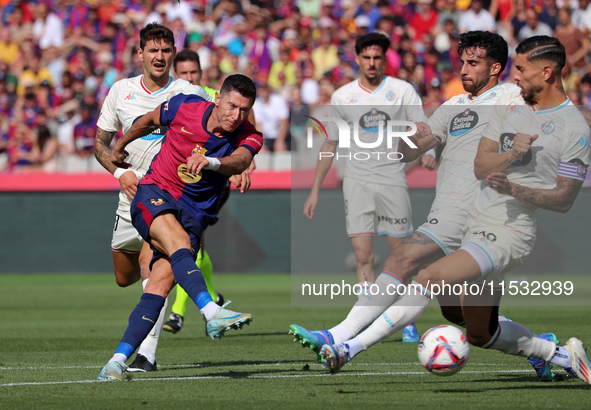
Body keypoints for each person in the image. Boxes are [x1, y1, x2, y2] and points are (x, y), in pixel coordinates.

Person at [318, 36, 591, 385]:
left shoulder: (520, 102)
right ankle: (556, 353)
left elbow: (564, 194)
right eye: (461, 62)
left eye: (520, 69)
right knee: (477, 330)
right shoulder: (472, 106)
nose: (516, 76)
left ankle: (346, 346)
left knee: (421, 272)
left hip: (503, 229)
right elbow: (464, 161)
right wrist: (408, 138)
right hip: (468, 218)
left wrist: (515, 184)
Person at [98, 74, 262, 381]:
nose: (235, 115)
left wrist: (213, 163)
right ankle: (211, 312)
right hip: (155, 193)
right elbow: (148, 120)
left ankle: (116, 362)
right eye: (231, 106)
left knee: (157, 287)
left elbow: (240, 161)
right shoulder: (184, 107)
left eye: (243, 110)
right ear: (217, 98)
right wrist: (120, 145)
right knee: (178, 244)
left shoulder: (250, 135)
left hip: (195, 216)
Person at [94, 23, 212, 373]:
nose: (160, 57)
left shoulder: (191, 92)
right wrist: (120, 173)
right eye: (153, 50)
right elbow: (100, 144)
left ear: (173, 54)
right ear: (140, 54)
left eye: (166, 50)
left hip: (168, 197)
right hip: (129, 197)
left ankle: (146, 354)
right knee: (124, 276)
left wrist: (235, 166)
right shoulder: (121, 91)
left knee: (152, 265)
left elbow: (221, 129)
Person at [302, 32, 429, 343]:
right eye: (367, 57)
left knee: (401, 256)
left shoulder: (402, 91)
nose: (372, 63)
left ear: (383, 60)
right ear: (357, 59)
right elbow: (329, 143)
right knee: (363, 257)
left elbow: (424, 128)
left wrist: (428, 151)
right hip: (356, 181)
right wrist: (315, 189)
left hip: (392, 179)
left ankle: (404, 319)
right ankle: (363, 320)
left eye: (377, 58)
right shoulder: (344, 96)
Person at [163, 48, 256, 335]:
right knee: (184, 246)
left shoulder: (216, 97)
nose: (190, 78)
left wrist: (240, 167)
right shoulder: (169, 98)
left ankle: (178, 312)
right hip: (169, 181)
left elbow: (243, 135)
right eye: (185, 73)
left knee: (189, 244)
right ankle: (213, 299)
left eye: (195, 72)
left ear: (201, 73)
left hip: (206, 183)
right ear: (175, 75)